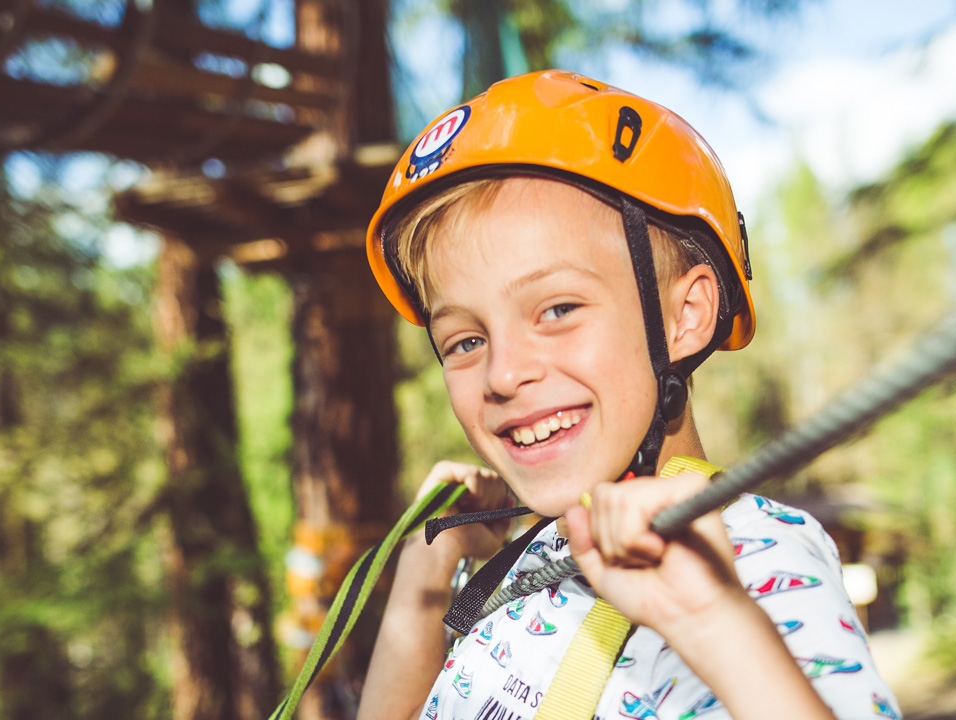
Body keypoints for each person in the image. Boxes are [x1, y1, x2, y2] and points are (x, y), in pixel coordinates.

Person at [355, 70, 900, 720]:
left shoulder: (752, 559)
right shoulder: (519, 567)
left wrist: (717, 627)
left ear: (686, 315)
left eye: (557, 309)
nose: (502, 374)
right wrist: (428, 567)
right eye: (465, 341)